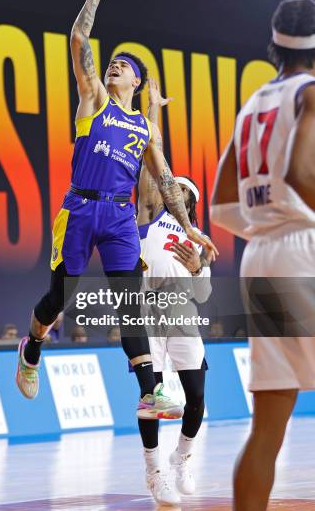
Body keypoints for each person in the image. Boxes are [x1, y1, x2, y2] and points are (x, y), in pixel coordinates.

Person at [16, 0, 218, 421]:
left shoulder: (144, 130)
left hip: (118, 217)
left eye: (123, 65)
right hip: (80, 207)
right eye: (112, 63)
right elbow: (78, 38)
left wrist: (189, 228)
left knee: (130, 300)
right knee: (59, 296)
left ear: (137, 80)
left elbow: (166, 181)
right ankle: (32, 344)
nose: (114, 66)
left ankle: (151, 392)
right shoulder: (95, 101)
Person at [210, 0, 315, 511]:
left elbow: (220, 203)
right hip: (304, 248)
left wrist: (263, 228)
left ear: (274, 46)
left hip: (263, 256)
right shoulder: (311, 94)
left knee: (268, 425)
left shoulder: (253, 103)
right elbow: (302, 173)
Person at [136, 79, 213, 506]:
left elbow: (203, 296)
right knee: (151, 399)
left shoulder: (198, 239)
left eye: (182, 191)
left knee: (195, 399)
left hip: (183, 315)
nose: (174, 191)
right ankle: (153, 470)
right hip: (149, 315)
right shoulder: (149, 219)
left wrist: (198, 267)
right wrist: (152, 108)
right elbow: (153, 153)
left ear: (192, 202)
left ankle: (182, 456)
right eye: (172, 188)